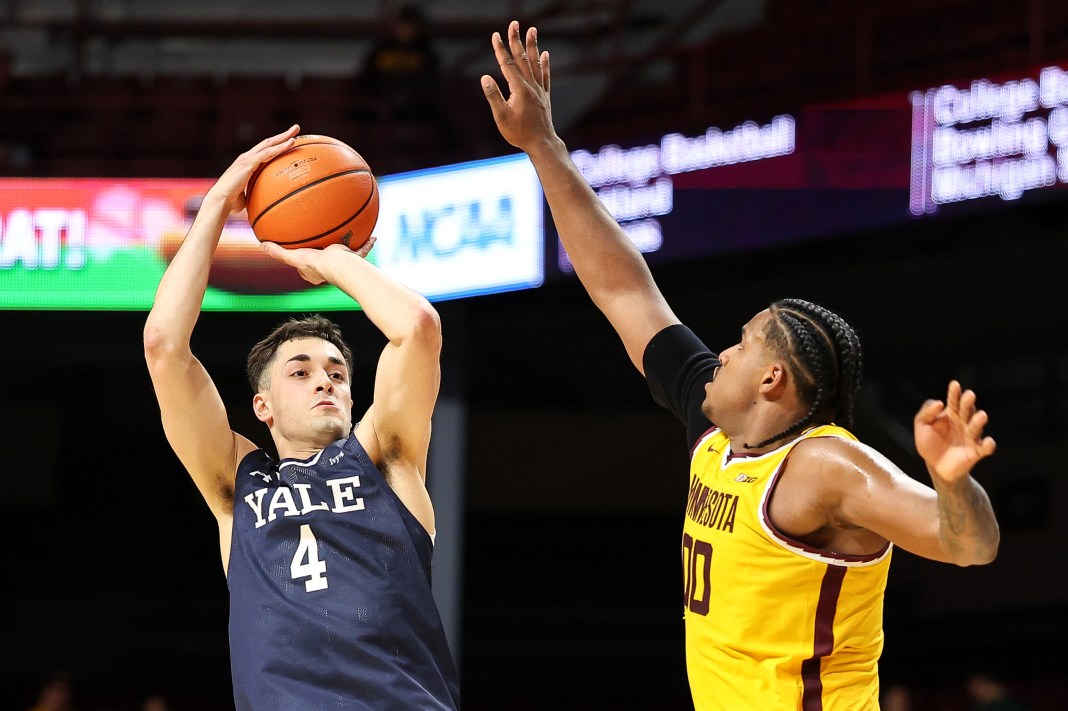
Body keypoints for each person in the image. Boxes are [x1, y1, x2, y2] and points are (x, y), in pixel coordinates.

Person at [480, 21, 1002, 711]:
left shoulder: (825, 468)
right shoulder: (716, 429)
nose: (719, 352)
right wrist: (545, 147)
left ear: (772, 380)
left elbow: (968, 545)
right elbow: (624, 289)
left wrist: (953, 482)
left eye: (743, 341)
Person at [143, 124, 460, 711]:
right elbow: (164, 345)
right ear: (261, 406)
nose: (324, 379)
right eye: (300, 371)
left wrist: (330, 257)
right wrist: (217, 205)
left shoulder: (386, 457)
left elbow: (416, 328)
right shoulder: (236, 483)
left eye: (337, 372)